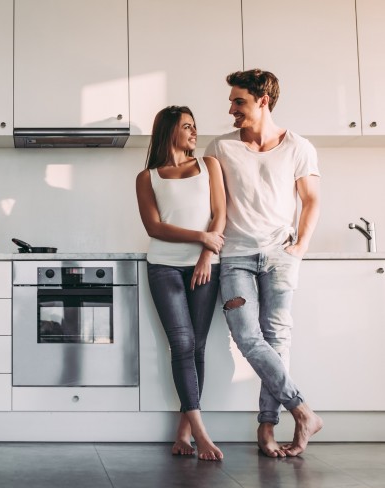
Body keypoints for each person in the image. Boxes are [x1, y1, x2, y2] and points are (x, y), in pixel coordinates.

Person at [204, 69, 323, 458]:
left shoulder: (299, 147)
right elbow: (215, 208)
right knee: (247, 337)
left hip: (280, 256)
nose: (231, 108)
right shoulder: (219, 148)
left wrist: (300, 247)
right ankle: (302, 410)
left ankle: (267, 426)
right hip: (235, 256)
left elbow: (311, 200)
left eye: (239, 101)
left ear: (263, 101)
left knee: (277, 340)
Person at [136, 106, 226, 461]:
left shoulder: (208, 165)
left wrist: (207, 252)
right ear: (169, 130)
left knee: (198, 346)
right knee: (182, 342)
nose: (193, 131)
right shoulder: (148, 177)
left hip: (206, 265)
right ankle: (201, 434)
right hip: (163, 266)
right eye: (186, 126)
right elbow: (154, 228)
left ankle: (183, 433)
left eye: (194, 125)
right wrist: (202, 237)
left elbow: (220, 214)